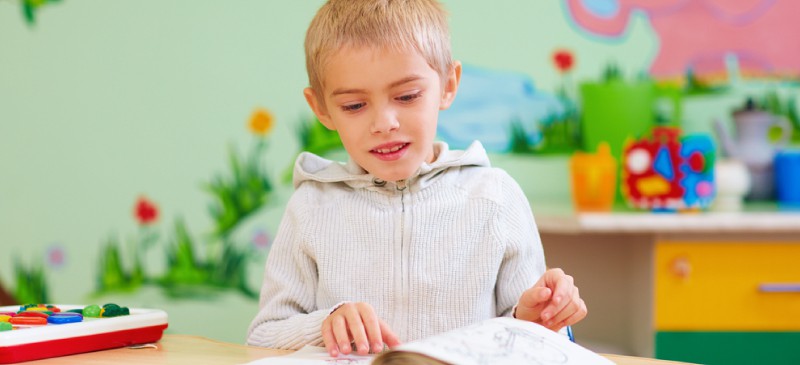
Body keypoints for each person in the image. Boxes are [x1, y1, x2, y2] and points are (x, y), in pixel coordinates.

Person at [247, 0, 587, 357]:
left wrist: (540, 319)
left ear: (448, 85)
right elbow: (262, 336)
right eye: (354, 106)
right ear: (321, 109)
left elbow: (537, 341)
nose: (384, 123)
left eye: (407, 96)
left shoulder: (496, 198)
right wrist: (324, 324)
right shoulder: (311, 206)